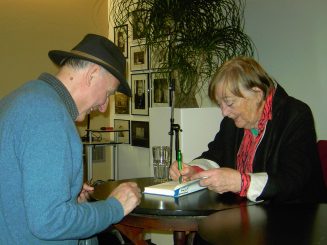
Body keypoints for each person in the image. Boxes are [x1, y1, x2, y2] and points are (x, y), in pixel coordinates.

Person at [0, 34, 141, 245]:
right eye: (108, 93)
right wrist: (115, 207)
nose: (103, 106)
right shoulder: (50, 118)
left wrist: (66, 191)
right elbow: (49, 222)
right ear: (92, 75)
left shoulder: (24, 97)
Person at [169, 56, 327, 204]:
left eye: (229, 103)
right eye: (220, 104)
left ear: (257, 94)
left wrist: (241, 182)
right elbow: (215, 154)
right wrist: (193, 171)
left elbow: (292, 179)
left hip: (294, 217)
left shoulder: (296, 115)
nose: (224, 112)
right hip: (248, 215)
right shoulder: (233, 121)